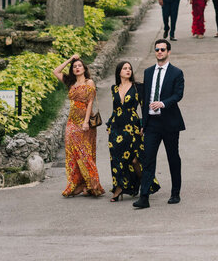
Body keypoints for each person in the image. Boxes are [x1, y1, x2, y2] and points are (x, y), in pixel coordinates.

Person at [133, 40, 184, 209]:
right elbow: (145, 97)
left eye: (163, 49)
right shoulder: (148, 72)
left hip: (169, 122)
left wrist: (162, 103)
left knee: (173, 158)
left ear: (168, 52)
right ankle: (144, 196)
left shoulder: (176, 72)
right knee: (148, 159)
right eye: (157, 49)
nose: (160, 52)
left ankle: (175, 193)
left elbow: (178, 95)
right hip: (152, 123)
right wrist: (143, 122)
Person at [53, 55, 105, 197]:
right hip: (71, 122)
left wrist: (86, 122)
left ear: (84, 69)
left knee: (85, 154)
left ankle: (93, 185)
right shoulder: (71, 83)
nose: (77, 68)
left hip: (85, 122)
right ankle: (76, 184)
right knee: (72, 154)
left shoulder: (89, 82)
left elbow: (90, 103)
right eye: (74, 67)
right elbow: (55, 72)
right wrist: (70, 59)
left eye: (79, 66)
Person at [107, 60, 158, 202]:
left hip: (132, 126)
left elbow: (144, 107)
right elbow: (115, 108)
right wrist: (110, 124)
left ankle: (144, 183)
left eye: (130, 68)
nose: (128, 70)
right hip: (116, 127)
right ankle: (118, 188)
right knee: (117, 159)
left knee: (136, 160)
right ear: (119, 72)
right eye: (125, 68)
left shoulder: (137, 87)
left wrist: (144, 125)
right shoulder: (114, 88)